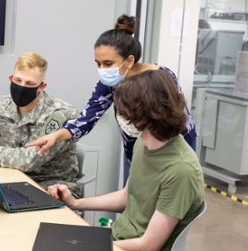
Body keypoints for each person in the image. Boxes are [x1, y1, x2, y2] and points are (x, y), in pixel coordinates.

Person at [26, 14, 197, 185]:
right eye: (98, 63)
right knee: (132, 201)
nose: (101, 70)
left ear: (129, 60)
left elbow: (174, 123)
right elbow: (85, 120)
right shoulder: (109, 84)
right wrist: (55, 136)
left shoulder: (160, 78)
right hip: (136, 153)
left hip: (173, 152)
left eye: (107, 64)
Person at [47, 70, 204, 251]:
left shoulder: (181, 170)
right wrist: (75, 203)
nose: (121, 117)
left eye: (126, 112)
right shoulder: (142, 143)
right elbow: (126, 197)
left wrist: (92, 245)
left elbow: (148, 245)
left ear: (150, 113)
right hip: (115, 238)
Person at [0, 52, 82, 197]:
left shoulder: (61, 114)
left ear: (42, 87)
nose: (22, 87)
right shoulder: (2, 105)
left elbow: (28, 160)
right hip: (12, 179)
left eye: (29, 84)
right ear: (11, 79)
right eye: (18, 80)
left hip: (52, 188)